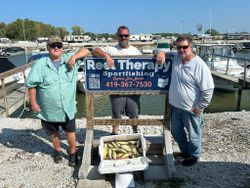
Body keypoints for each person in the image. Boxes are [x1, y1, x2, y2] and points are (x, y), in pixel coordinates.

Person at [25, 35, 90, 166]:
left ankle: (72, 153)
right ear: (47, 47)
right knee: (53, 132)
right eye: (52, 45)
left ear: (62, 47)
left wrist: (75, 57)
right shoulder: (40, 64)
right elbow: (31, 84)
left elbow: (88, 49)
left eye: (58, 45)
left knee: (70, 131)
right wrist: (33, 102)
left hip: (68, 107)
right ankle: (58, 150)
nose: (56, 48)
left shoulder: (68, 58)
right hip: (48, 109)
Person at [157, 36, 214, 166]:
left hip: (191, 108)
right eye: (178, 47)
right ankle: (185, 152)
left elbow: (209, 89)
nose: (181, 50)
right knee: (176, 131)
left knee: (194, 134)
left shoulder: (199, 65)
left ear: (191, 47)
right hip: (175, 106)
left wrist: (200, 107)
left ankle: (194, 155)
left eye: (185, 47)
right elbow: (161, 52)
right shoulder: (176, 57)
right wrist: (161, 52)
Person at [92, 25, 142, 135]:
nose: (124, 38)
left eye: (126, 35)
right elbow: (95, 50)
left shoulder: (136, 51)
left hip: (133, 90)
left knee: (134, 113)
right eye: (121, 35)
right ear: (117, 36)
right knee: (116, 113)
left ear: (129, 36)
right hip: (116, 90)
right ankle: (114, 133)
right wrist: (105, 55)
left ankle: (135, 132)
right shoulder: (111, 49)